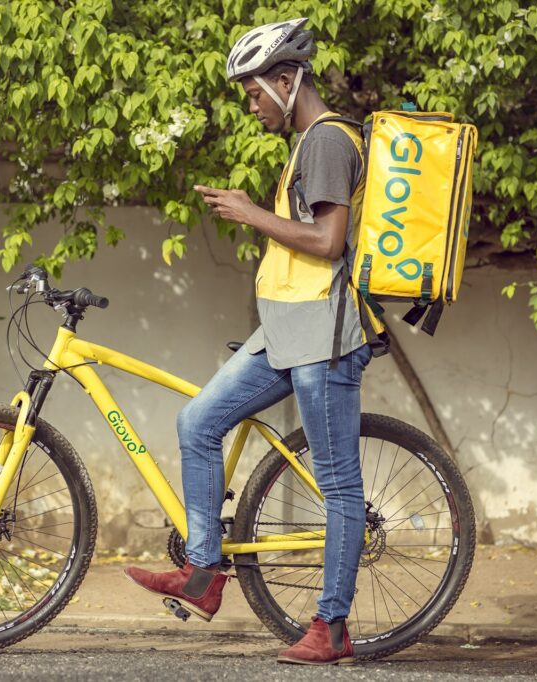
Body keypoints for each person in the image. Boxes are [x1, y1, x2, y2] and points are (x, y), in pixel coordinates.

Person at [125, 17, 375, 666]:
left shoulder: (326, 142)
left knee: (340, 487)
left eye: (255, 91)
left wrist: (250, 213)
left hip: (323, 337)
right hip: (289, 331)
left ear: (287, 80)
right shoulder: (308, 144)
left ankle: (333, 626)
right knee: (198, 422)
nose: (251, 104)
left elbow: (328, 243)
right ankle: (204, 577)